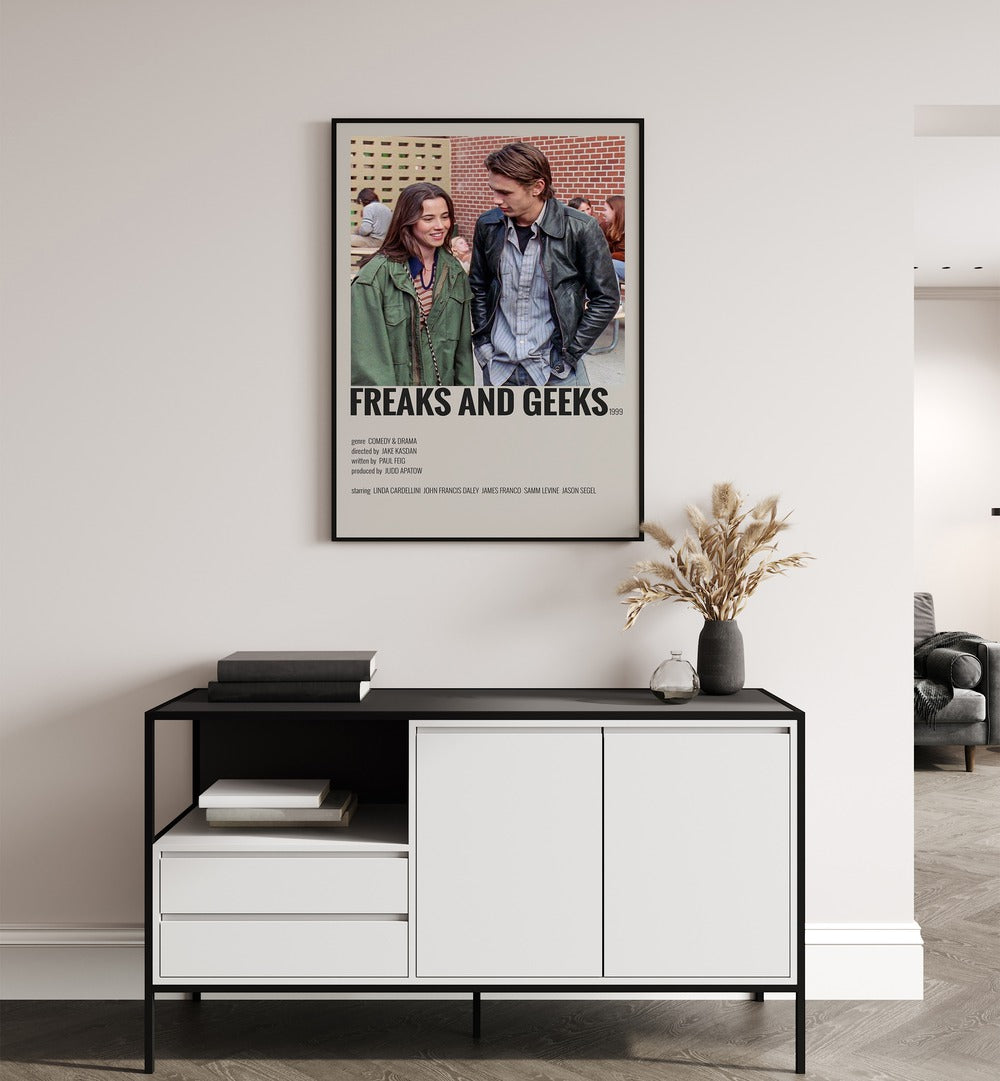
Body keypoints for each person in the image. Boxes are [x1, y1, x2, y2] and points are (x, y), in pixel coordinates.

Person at [469, 143, 619, 387]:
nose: (496, 199)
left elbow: (606, 298)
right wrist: (484, 345)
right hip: (499, 370)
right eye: (493, 190)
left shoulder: (580, 228)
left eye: (505, 193)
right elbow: (478, 286)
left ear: (537, 187)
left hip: (555, 372)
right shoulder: (488, 225)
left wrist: (570, 354)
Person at [351, 183, 473, 387]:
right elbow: (366, 363)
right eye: (428, 219)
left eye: (445, 216)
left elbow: (462, 356)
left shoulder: (454, 272)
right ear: (407, 222)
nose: (440, 226)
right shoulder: (374, 278)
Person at [600, 195, 626, 283]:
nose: (603, 213)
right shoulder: (605, 227)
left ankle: (611, 296)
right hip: (613, 262)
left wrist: (609, 256)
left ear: (616, 210)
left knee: (609, 265)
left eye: (605, 209)